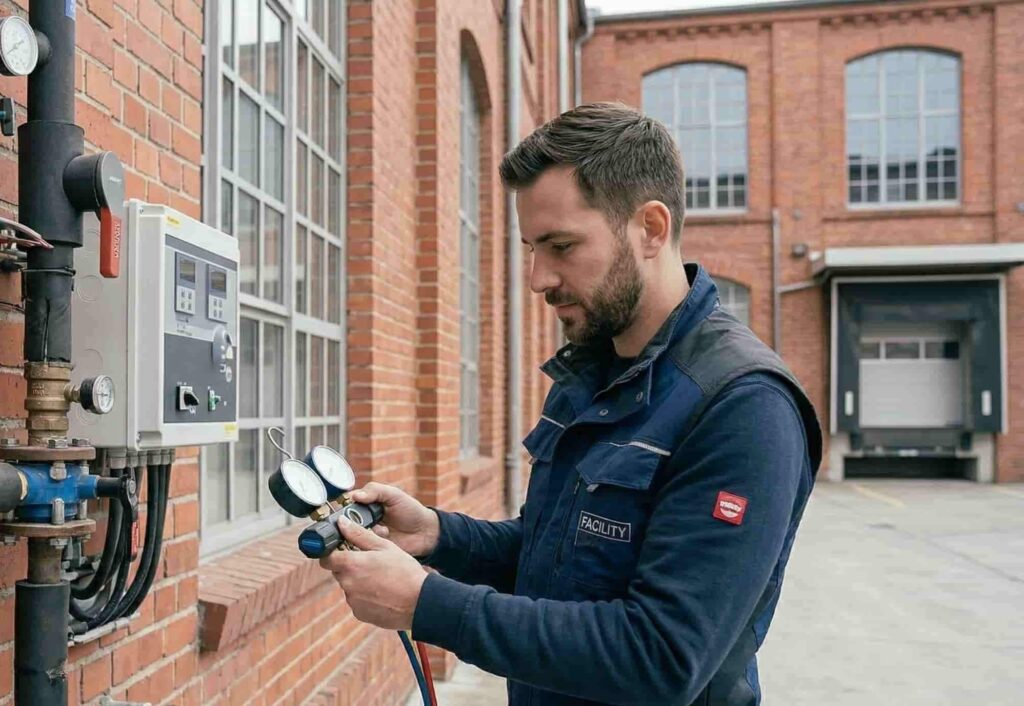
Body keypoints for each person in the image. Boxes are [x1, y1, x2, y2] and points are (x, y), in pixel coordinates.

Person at [321, 102, 822, 706]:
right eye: (531, 247)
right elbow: (556, 555)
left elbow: (661, 655)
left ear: (651, 229)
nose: (538, 278)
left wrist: (429, 606)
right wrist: (438, 535)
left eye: (561, 246)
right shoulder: (593, 371)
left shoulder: (744, 405)